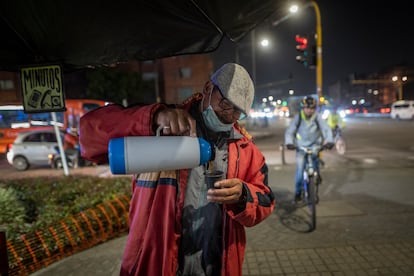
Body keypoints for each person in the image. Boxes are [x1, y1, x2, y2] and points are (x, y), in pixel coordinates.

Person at [79, 63, 275, 276]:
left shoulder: (247, 150)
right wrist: (152, 118)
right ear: (208, 88)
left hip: (216, 266)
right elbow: (89, 136)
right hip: (158, 262)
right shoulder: (165, 126)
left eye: (239, 111)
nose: (230, 115)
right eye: (226, 103)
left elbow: (265, 200)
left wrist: (243, 195)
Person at [284, 96, 334, 202]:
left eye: (312, 108)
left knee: (316, 167)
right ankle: (298, 192)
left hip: (315, 146)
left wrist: (329, 141)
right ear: (303, 108)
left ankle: (314, 189)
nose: (309, 110)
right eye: (307, 108)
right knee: (300, 170)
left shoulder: (317, 117)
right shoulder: (299, 117)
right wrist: (289, 143)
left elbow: (326, 129)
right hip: (301, 148)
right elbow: (290, 131)